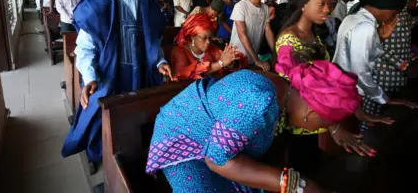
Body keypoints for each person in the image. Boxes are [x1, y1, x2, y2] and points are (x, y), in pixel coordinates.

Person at [146, 69, 361, 192]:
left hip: (216, 144)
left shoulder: (281, 89)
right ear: (311, 113)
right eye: (325, 124)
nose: (322, 129)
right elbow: (218, 160)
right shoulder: (259, 102)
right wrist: (297, 185)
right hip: (183, 141)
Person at [62, 0, 173, 162]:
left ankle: (137, 158)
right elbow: (84, 49)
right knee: (99, 118)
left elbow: (153, 43)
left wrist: (160, 61)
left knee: (143, 120)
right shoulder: (98, 5)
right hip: (109, 77)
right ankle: (105, 159)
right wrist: (90, 77)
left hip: (141, 77)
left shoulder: (150, 7)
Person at [275, 0, 379, 172]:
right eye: (321, 4)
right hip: (302, 121)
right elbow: (305, 90)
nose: (327, 10)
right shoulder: (289, 40)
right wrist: (335, 128)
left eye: (328, 4)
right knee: (304, 167)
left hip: (316, 118)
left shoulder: (312, 35)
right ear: (303, 5)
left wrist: (353, 109)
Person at [333, 0, 418, 132]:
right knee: (358, 131)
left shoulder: (353, 18)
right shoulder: (365, 27)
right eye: (394, 13)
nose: (393, 18)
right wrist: (385, 98)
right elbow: (360, 72)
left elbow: (360, 55)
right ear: (385, 7)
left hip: (342, 88)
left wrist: (380, 38)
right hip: (350, 91)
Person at [367, 0, 418, 119]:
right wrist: (404, 66)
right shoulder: (387, 8)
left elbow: (401, 43)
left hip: (399, 77)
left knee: (393, 120)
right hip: (382, 76)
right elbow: (374, 44)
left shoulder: (404, 10)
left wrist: (413, 59)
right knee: (374, 121)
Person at [171, 14, 247, 81]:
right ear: (192, 37)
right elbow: (183, 74)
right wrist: (220, 63)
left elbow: (227, 62)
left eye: (210, 38)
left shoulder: (212, 49)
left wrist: (230, 61)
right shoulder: (180, 51)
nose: (208, 42)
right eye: (204, 38)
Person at [230, 0, 275, 71]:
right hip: (237, 57)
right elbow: (242, 34)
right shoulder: (241, 6)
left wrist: (275, 53)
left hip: (252, 57)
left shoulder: (265, 8)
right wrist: (256, 60)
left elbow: (268, 31)